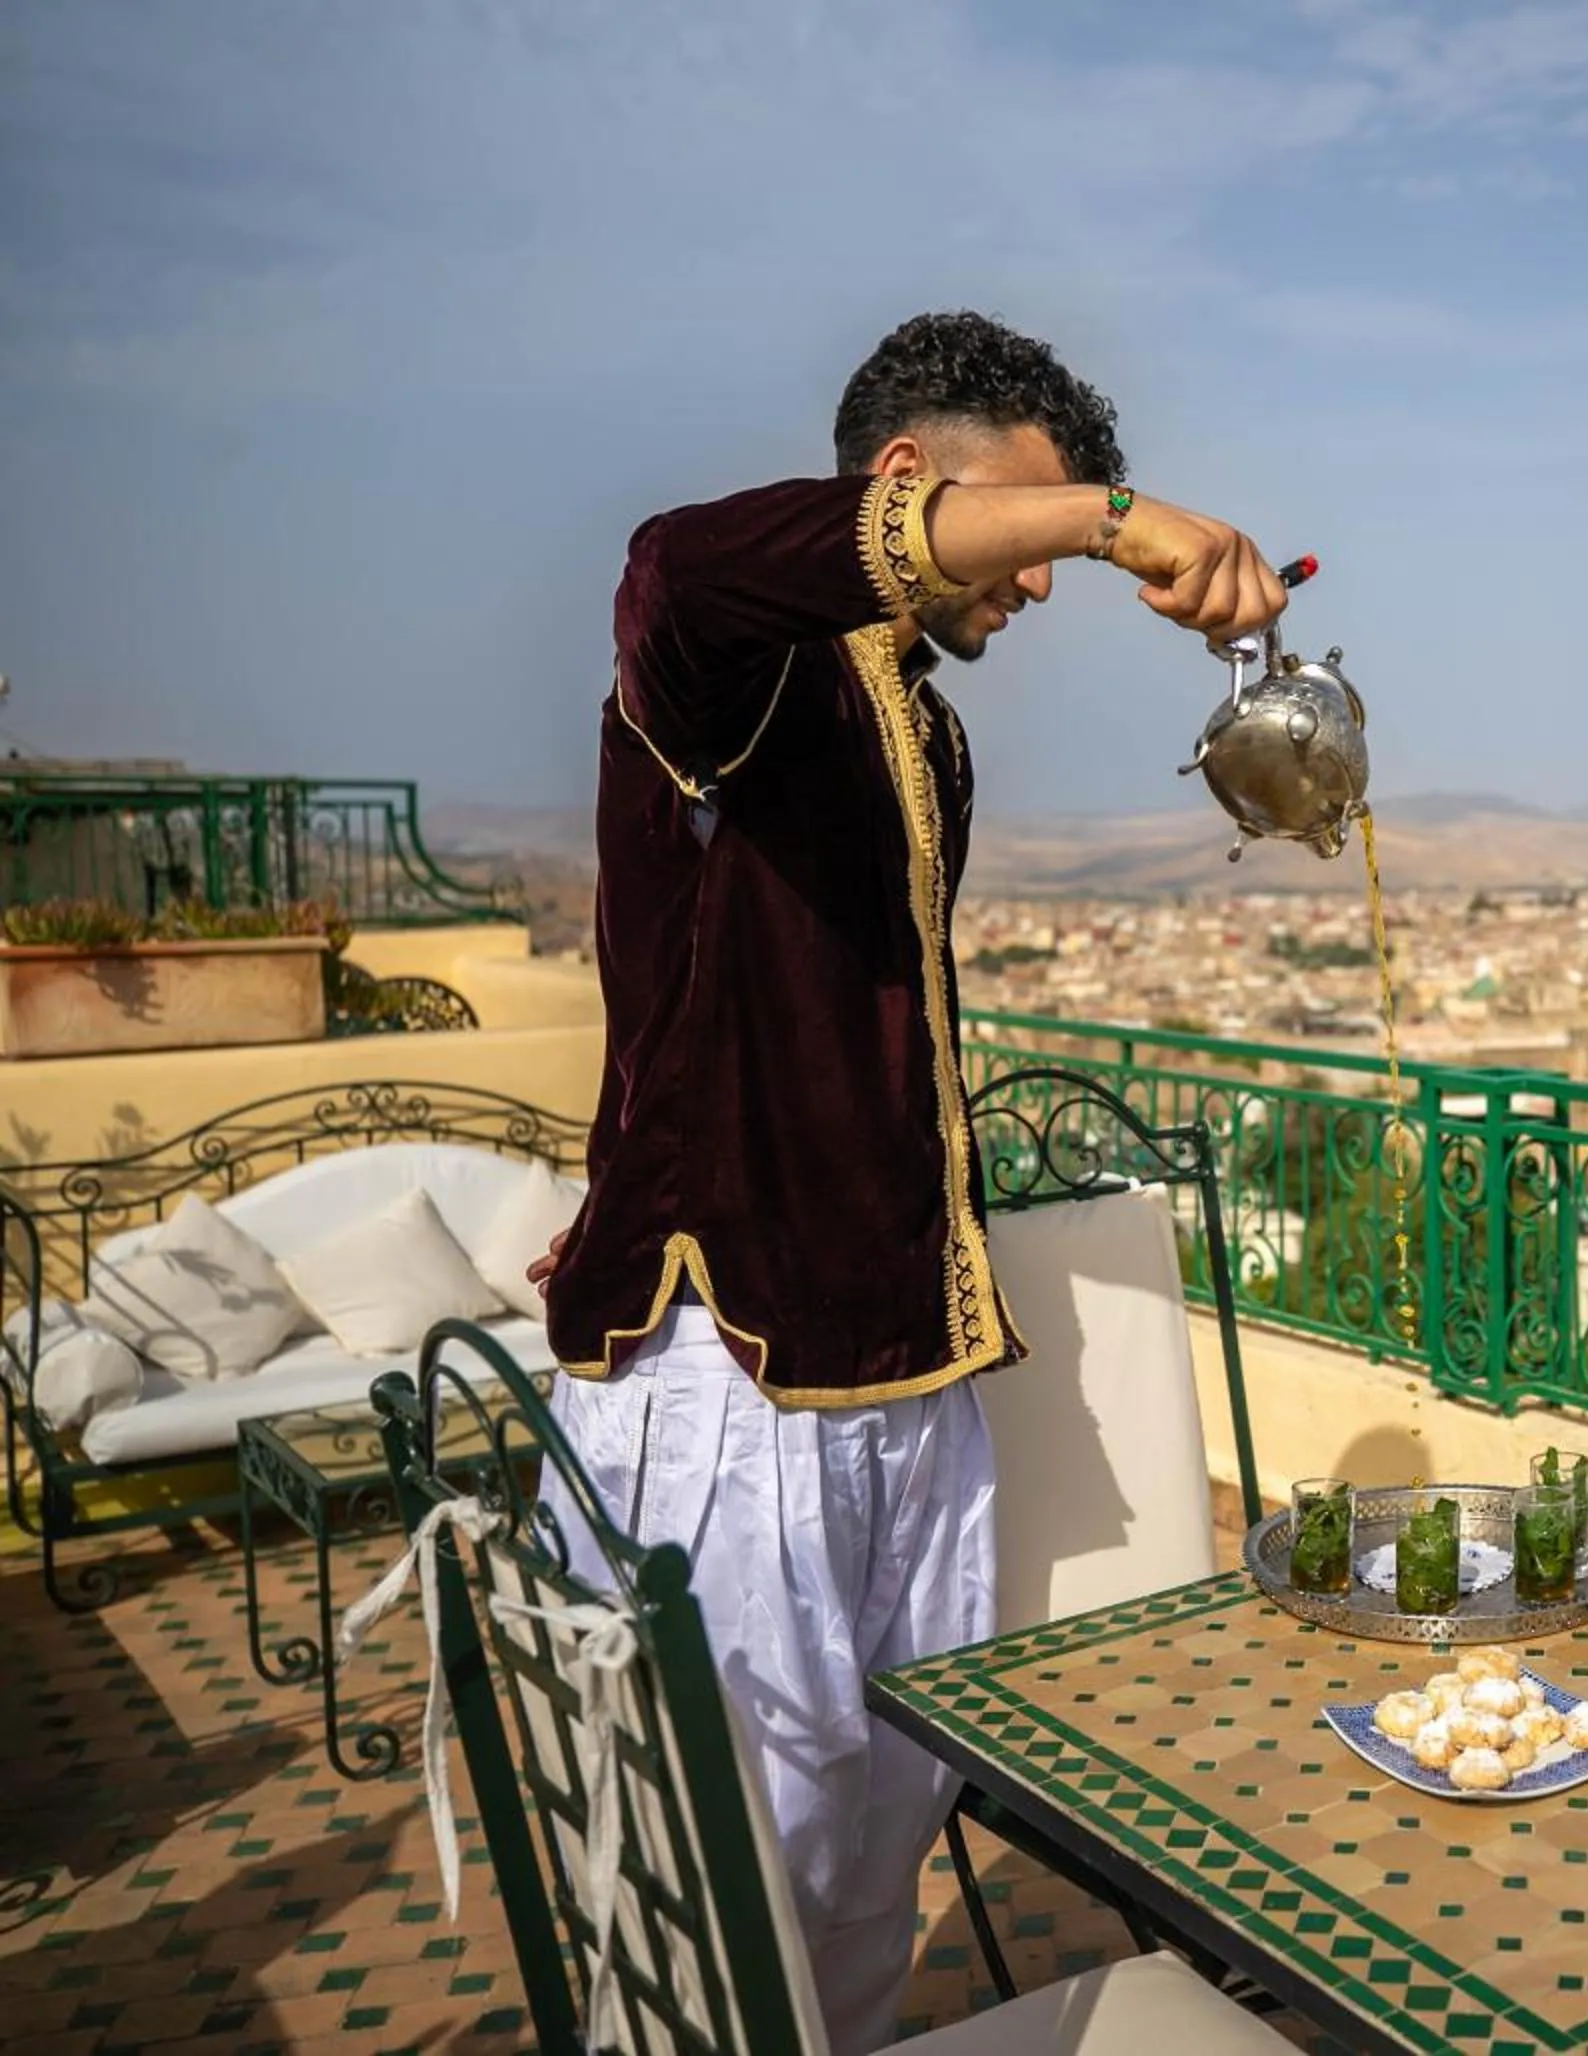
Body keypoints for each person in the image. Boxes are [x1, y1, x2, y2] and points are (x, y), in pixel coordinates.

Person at [524, 310, 1287, 2052]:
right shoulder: (731, 662)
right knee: (730, 1869)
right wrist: (1121, 519)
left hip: (913, 1374)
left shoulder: (927, 736)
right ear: (900, 480)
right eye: (1022, 529)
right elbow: (674, 562)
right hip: (742, 1386)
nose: (1036, 582)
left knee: (877, 1849)